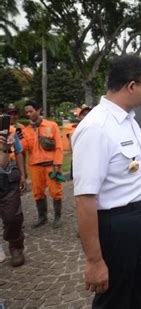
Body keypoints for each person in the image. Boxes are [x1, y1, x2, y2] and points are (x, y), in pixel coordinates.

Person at [72, 55, 141, 307]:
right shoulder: (96, 128)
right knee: (116, 297)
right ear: (131, 86)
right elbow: (85, 198)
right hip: (116, 225)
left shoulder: (129, 121)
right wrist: (94, 261)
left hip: (140, 216)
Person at [20, 100, 64, 228]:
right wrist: (17, 139)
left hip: (51, 165)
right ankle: (42, 217)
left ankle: (57, 217)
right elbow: (23, 149)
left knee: (56, 191)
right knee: (37, 192)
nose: (28, 114)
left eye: (31, 111)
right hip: (35, 166)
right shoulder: (26, 130)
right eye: (26, 112)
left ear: (38, 110)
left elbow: (59, 147)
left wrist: (57, 163)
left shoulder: (52, 125)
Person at [0, 111, 26, 267]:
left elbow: (18, 152)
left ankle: (16, 246)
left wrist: (23, 174)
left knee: (12, 217)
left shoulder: (10, 132)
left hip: (7, 179)